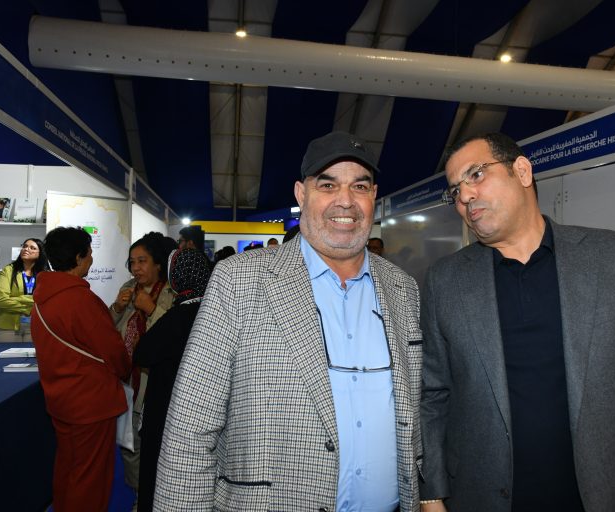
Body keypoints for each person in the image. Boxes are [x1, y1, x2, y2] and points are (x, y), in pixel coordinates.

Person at [419, 132, 615, 511]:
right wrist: (431, 495)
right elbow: (433, 395)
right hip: (486, 498)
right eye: (455, 190)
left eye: (476, 175)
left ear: (522, 171)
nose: (465, 196)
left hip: (610, 496)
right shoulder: (445, 281)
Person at [155, 131, 423, 511]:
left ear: (373, 196)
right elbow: (190, 428)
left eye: (359, 186)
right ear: (301, 194)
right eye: (328, 185)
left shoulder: (403, 288)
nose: (346, 200)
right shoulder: (239, 280)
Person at [31, 227, 131, 512]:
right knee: (90, 479)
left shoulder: (43, 297)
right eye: (88, 253)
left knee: (68, 469)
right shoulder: (80, 299)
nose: (91, 258)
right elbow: (112, 350)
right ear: (78, 257)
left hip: (61, 399)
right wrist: (125, 370)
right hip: (90, 402)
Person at [133, 248, 211, 511]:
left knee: (158, 475)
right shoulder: (215, 311)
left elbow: (143, 353)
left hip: (168, 408)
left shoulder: (179, 315)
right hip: (205, 410)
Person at [109, 231, 176, 497]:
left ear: (158, 263)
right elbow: (108, 330)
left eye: (142, 261)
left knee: (157, 445)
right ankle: (139, 497)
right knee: (129, 446)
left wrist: (150, 308)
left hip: (155, 383)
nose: (136, 268)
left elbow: (175, 336)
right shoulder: (128, 288)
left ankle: (159, 496)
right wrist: (117, 308)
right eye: (132, 262)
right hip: (127, 382)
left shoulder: (171, 291)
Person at [0, 238, 48, 342]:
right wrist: (29, 306)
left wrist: (18, 298)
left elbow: (46, 301)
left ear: (40, 253)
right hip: (7, 327)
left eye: (32, 248)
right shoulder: (8, 270)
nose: (26, 249)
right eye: (25, 246)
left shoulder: (45, 274)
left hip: (36, 326)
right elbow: (0, 300)